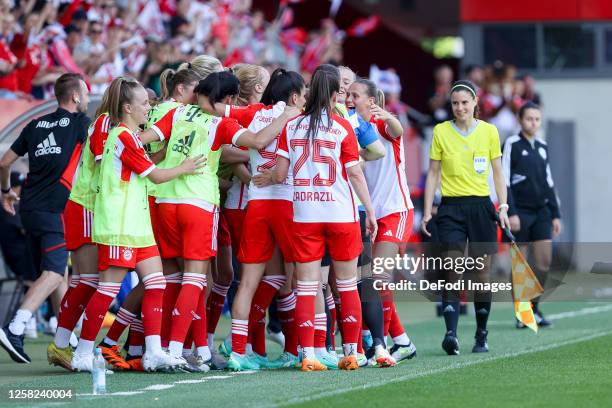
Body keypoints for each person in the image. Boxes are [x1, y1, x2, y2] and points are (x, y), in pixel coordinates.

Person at [150, 71, 299, 372]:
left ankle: (176, 348)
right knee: (196, 280)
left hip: (164, 200)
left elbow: (145, 142)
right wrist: (287, 116)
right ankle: (176, 351)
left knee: (176, 279)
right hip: (198, 203)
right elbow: (258, 140)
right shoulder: (221, 122)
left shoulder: (178, 112)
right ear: (230, 98)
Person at [70, 77, 205, 372]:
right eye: (144, 103)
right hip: (119, 224)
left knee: (155, 283)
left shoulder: (128, 136)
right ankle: (82, 352)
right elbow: (155, 176)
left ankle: (154, 352)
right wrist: (185, 167)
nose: (149, 107)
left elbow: (145, 169)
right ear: (128, 107)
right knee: (107, 288)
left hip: (137, 225)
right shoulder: (121, 135)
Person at [272, 64, 377, 371]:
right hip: (340, 213)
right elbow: (355, 173)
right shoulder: (342, 127)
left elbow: (279, 174)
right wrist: (369, 210)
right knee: (346, 284)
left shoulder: (291, 127)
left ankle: (308, 354)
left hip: (305, 213)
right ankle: (351, 351)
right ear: (334, 95)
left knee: (306, 285)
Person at [0, 73, 90, 364]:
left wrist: (5, 192)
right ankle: (15, 328)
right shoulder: (80, 124)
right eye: (85, 93)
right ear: (75, 97)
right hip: (54, 210)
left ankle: (67, 341)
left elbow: (4, 163)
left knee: (58, 277)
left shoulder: (35, 124)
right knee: (52, 273)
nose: (87, 98)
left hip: (28, 209)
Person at [222, 68, 306, 371]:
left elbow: (218, 111)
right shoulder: (299, 118)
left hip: (257, 206)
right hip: (288, 204)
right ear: (295, 96)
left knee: (248, 282)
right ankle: (300, 349)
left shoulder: (254, 114)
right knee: (299, 280)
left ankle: (238, 351)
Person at [421, 80, 509, 355]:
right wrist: (426, 210)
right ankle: (451, 334)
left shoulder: (489, 132)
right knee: (452, 268)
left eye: (464, 102)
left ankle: (481, 334)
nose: (459, 107)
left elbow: (497, 171)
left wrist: (503, 205)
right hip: (450, 209)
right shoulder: (440, 132)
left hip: (482, 208)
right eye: (455, 103)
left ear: (475, 104)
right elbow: (433, 173)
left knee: (482, 274)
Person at [346, 78, 417, 365]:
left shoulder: (382, 127)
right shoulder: (348, 128)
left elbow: (397, 130)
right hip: (368, 215)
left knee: (378, 278)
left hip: (396, 211)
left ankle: (380, 344)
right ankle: (401, 341)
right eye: (347, 93)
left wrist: (387, 115)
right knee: (371, 282)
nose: (349, 98)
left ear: (371, 100)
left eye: (355, 95)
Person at [502, 102, 561, 327]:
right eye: (529, 119)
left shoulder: (543, 146)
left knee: (544, 262)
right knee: (521, 264)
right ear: (520, 120)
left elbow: (549, 182)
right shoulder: (511, 144)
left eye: (537, 119)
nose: (533, 123)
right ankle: (522, 312)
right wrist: (512, 212)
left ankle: (534, 307)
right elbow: (504, 180)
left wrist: (555, 214)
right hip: (521, 213)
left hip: (542, 212)